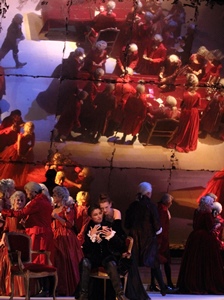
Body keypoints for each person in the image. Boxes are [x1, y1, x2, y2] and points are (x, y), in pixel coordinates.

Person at [1, 181, 54, 296]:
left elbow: (22, 213)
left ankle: (44, 289)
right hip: (45, 233)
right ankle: (45, 288)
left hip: (38, 234)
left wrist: (3, 211)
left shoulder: (36, 201)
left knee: (38, 260)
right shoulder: (44, 199)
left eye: (27, 193)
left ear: (33, 192)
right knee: (43, 260)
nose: (27, 195)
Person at [98, 193, 150, 300]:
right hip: (107, 241)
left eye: (106, 207)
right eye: (102, 208)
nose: (104, 210)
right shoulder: (100, 215)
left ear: (111, 204)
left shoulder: (116, 213)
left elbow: (118, 229)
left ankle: (124, 292)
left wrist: (110, 233)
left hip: (117, 237)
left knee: (127, 257)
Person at [125, 182, 168, 296]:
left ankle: (133, 288)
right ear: (148, 193)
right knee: (154, 263)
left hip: (134, 238)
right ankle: (163, 288)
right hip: (148, 239)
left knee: (133, 263)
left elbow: (127, 223)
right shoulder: (151, 206)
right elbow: (156, 225)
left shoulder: (133, 205)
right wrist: (159, 231)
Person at [78, 203, 127, 300]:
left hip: (106, 257)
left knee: (112, 263)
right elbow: (86, 249)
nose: (99, 216)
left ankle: (120, 295)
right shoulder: (89, 228)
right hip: (94, 258)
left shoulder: (108, 225)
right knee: (85, 262)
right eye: (95, 215)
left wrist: (111, 236)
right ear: (91, 217)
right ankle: (83, 295)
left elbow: (120, 246)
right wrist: (92, 236)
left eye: (100, 213)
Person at [176, 194, 224, 294]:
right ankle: (205, 283)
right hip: (205, 241)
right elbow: (210, 228)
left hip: (195, 239)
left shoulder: (197, 211)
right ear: (206, 204)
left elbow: (196, 225)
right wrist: (217, 225)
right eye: (211, 203)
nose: (212, 205)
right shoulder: (207, 213)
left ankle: (195, 282)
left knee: (195, 262)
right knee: (206, 263)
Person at [51, 186, 83, 296]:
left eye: (55, 195)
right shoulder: (53, 208)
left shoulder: (67, 208)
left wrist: (57, 217)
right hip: (55, 236)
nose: (53, 197)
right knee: (57, 262)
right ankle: (57, 288)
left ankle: (69, 288)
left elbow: (69, 224)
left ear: (61, 196)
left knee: (66, 261)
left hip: (66, 237)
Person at [0, 191, 26, 297]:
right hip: (10, 240)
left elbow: (28, 228)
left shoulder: (24, 213)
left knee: (19, 262)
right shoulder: (9, 214)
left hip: (21, 240)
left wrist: (25, 224)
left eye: (21, 200)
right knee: (5, 260)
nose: (19, 202)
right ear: (13, 201)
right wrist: (2, 240)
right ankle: (8, 288)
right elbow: (5, 229)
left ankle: (20, 290)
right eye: (18, 200)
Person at [167, 73, 201, 152]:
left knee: (184, 128)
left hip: (186, 112)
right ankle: (189, 142)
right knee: (191, 128)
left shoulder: (185, 94)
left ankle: (182, 141)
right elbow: (198, 105)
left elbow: (182, 105)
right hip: (194, 113)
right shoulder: (198, 95)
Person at [150, 193, 175, 292]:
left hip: (160, 240)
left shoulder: (159, 208)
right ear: (168, 202)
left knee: (156, 262)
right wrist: (160, 241)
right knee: (163, 262)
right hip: (162, 241)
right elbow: (161, 228)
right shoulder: (163, 211)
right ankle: (167, 284)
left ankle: (154, 283)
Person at [0, 121, 35, 187]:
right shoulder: (32, 134)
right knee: (17, 168)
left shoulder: (20, 135)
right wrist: (25, 154)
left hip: (17, 151)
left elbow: (19, 148)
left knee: (11, 167)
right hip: (21, 151)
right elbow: (32, 145)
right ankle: (13, 182)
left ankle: (9, 182)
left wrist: (21, 155)